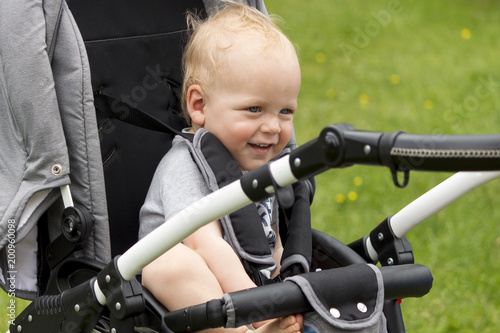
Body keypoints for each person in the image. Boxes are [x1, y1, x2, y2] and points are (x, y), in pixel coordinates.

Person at [139, 3, 303, 332]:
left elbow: (270, 240)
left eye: (285, 111)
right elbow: (206, 244)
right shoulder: (184, 166)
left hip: (244, 289)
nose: (273, 127)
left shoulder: (261, 164)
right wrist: (261, 308)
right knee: (169, 265)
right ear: (199, 106)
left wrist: (282, 285)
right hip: (176, 296)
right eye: (254, 109)